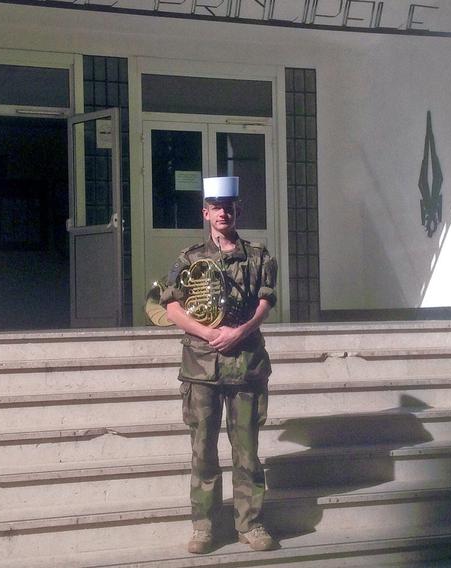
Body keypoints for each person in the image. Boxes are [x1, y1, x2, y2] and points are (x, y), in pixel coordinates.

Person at [158, 176, 279, 554]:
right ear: (205, 212)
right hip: (201, 367)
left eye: (229, 207)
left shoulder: (258, 255)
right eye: (216, 207)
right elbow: (170, 305)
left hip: (245, 362)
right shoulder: (190, 257)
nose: (223, 213)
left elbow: (265, 301)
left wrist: (238, 331)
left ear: (236, 211)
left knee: (247, 451)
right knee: (203, 451)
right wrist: (208, 332)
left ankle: (251, 524)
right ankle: (204, 527)